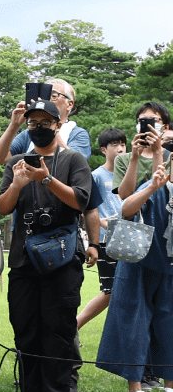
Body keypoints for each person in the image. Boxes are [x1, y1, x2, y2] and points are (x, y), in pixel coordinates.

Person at [0, 100, 92, 392]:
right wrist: (21, 182)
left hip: (62, 258)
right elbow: (3, 206)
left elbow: (80, 200)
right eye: (32, 122)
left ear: (57, 124)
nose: (38, 127)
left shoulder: (73, 160)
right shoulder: (18, 164)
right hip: (24, 258)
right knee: (25, 326)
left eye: (45, 122)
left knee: (58, 327)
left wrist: (46, 179)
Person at [96, 157, 173, 392]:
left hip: (169, 268)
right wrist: (152, 186)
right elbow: (126, 210)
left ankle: (170, 389)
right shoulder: (156, 185)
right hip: (140, 262)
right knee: (133, 322)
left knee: (169, 324)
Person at [77, 128, 127, 331]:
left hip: (129, 241)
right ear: (104, 150)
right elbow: (86, 209)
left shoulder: (130, 173)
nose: (120, 149)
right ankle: (73, 327)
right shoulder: (96, 176)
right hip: (107, 241)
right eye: (114, 145)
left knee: (123, 290)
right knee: (110, 291)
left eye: (123, 144)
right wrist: (103, 225)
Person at [0, 77, 91, 165]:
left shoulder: (78, 134)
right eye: (44, 95)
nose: (46, 100)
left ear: (69, 104)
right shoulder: (29, 133)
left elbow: (75, 163)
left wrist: (51, 124)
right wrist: (14, 125)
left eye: (53, 95)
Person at [115, 101, 173, 200]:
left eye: (154, 120)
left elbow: (158, 194)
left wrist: (157, 152)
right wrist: (134, 158)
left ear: (165, 127)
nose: (148, 124)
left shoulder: (171, 158)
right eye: (142, 120)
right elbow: (124, 196)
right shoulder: (122, 159)